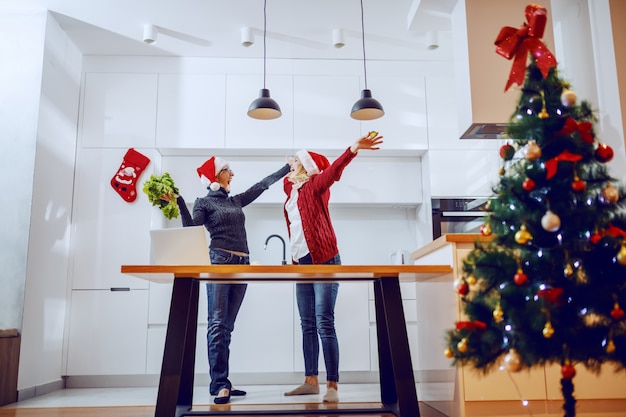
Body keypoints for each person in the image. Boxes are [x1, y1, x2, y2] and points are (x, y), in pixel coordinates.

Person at [169, 156, 290, 404]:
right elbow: (191, 228)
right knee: (217, 324)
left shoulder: (235, 201)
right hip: (220, 263)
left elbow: (261, 185)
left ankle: (221, 381)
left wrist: (287, 169)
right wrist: (180, 201)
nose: (232, 174)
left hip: (242, 265)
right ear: (215, 177)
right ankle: (220, 384)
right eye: (227, 170)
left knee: (226, 327)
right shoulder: (203, 203)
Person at [282, 133, 383, 403]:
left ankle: (333, 385)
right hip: (301, 264)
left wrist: (352, 149)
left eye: (295, 160)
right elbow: (284, 180)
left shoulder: (316, 186)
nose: (290, 163)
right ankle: (310, 380)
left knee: (323, 322)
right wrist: (290, 167)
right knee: (307, 324)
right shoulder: (292, 193)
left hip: (324, 259)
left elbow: (332, 172)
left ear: (305, 165)